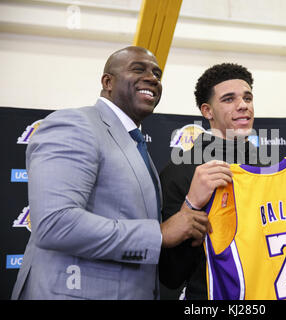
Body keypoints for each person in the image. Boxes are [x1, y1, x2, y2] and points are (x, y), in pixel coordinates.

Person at [11, 46, 210, 300]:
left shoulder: (134, 144)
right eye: (138, 69)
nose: (152, 78)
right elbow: (55, 224)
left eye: (157, 74)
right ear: (108, 82)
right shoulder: (76, 125)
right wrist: (159, 233)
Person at [159, 63, 286, 299]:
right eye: (229, 99)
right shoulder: (179, 172)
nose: (243, 106)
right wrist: (192, 206)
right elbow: (171, 275)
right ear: (207, 111)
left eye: (247, 98)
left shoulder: (274, 168)